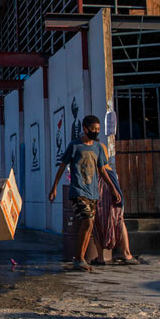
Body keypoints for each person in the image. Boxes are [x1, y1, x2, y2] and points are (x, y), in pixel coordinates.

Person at [48, 114, 120, 272]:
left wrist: (113, 188)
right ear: (85, 129)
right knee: (87, 222)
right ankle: (79, 258)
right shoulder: (74, 146)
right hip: (78, 191)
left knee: (89, 225)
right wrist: (54, 187)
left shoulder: (98, 147)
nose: (96, 132)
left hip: (93, 192)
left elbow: (102, 170)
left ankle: (80, 259)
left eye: (98, 129)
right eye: (93, 129)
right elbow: (62, 166)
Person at [91, 142, 138, 266]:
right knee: (118, 219)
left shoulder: (94, 152)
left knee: (96, 222)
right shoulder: (102, 152)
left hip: (98, 186)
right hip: (109, 186)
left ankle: (101, 258)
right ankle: (127, 254)